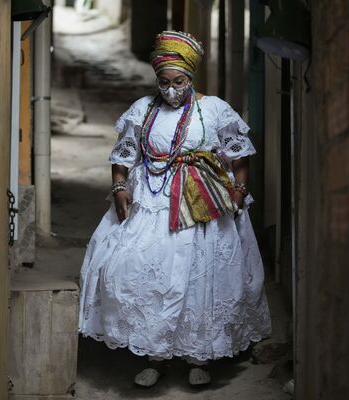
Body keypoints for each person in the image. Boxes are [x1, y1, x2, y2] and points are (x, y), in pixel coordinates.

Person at [78, 30, 271, 387]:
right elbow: (123, 154)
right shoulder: (142, 110)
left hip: (202, 205)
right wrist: (119, 186)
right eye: (163, 82)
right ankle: (156, 355)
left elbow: (239, 154)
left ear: (190, 77)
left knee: (200, 279)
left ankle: (199, 357)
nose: (171, 89)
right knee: (146, 275)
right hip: (152, 202)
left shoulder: (213, 110)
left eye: (178, 81)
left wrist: (240, 190)